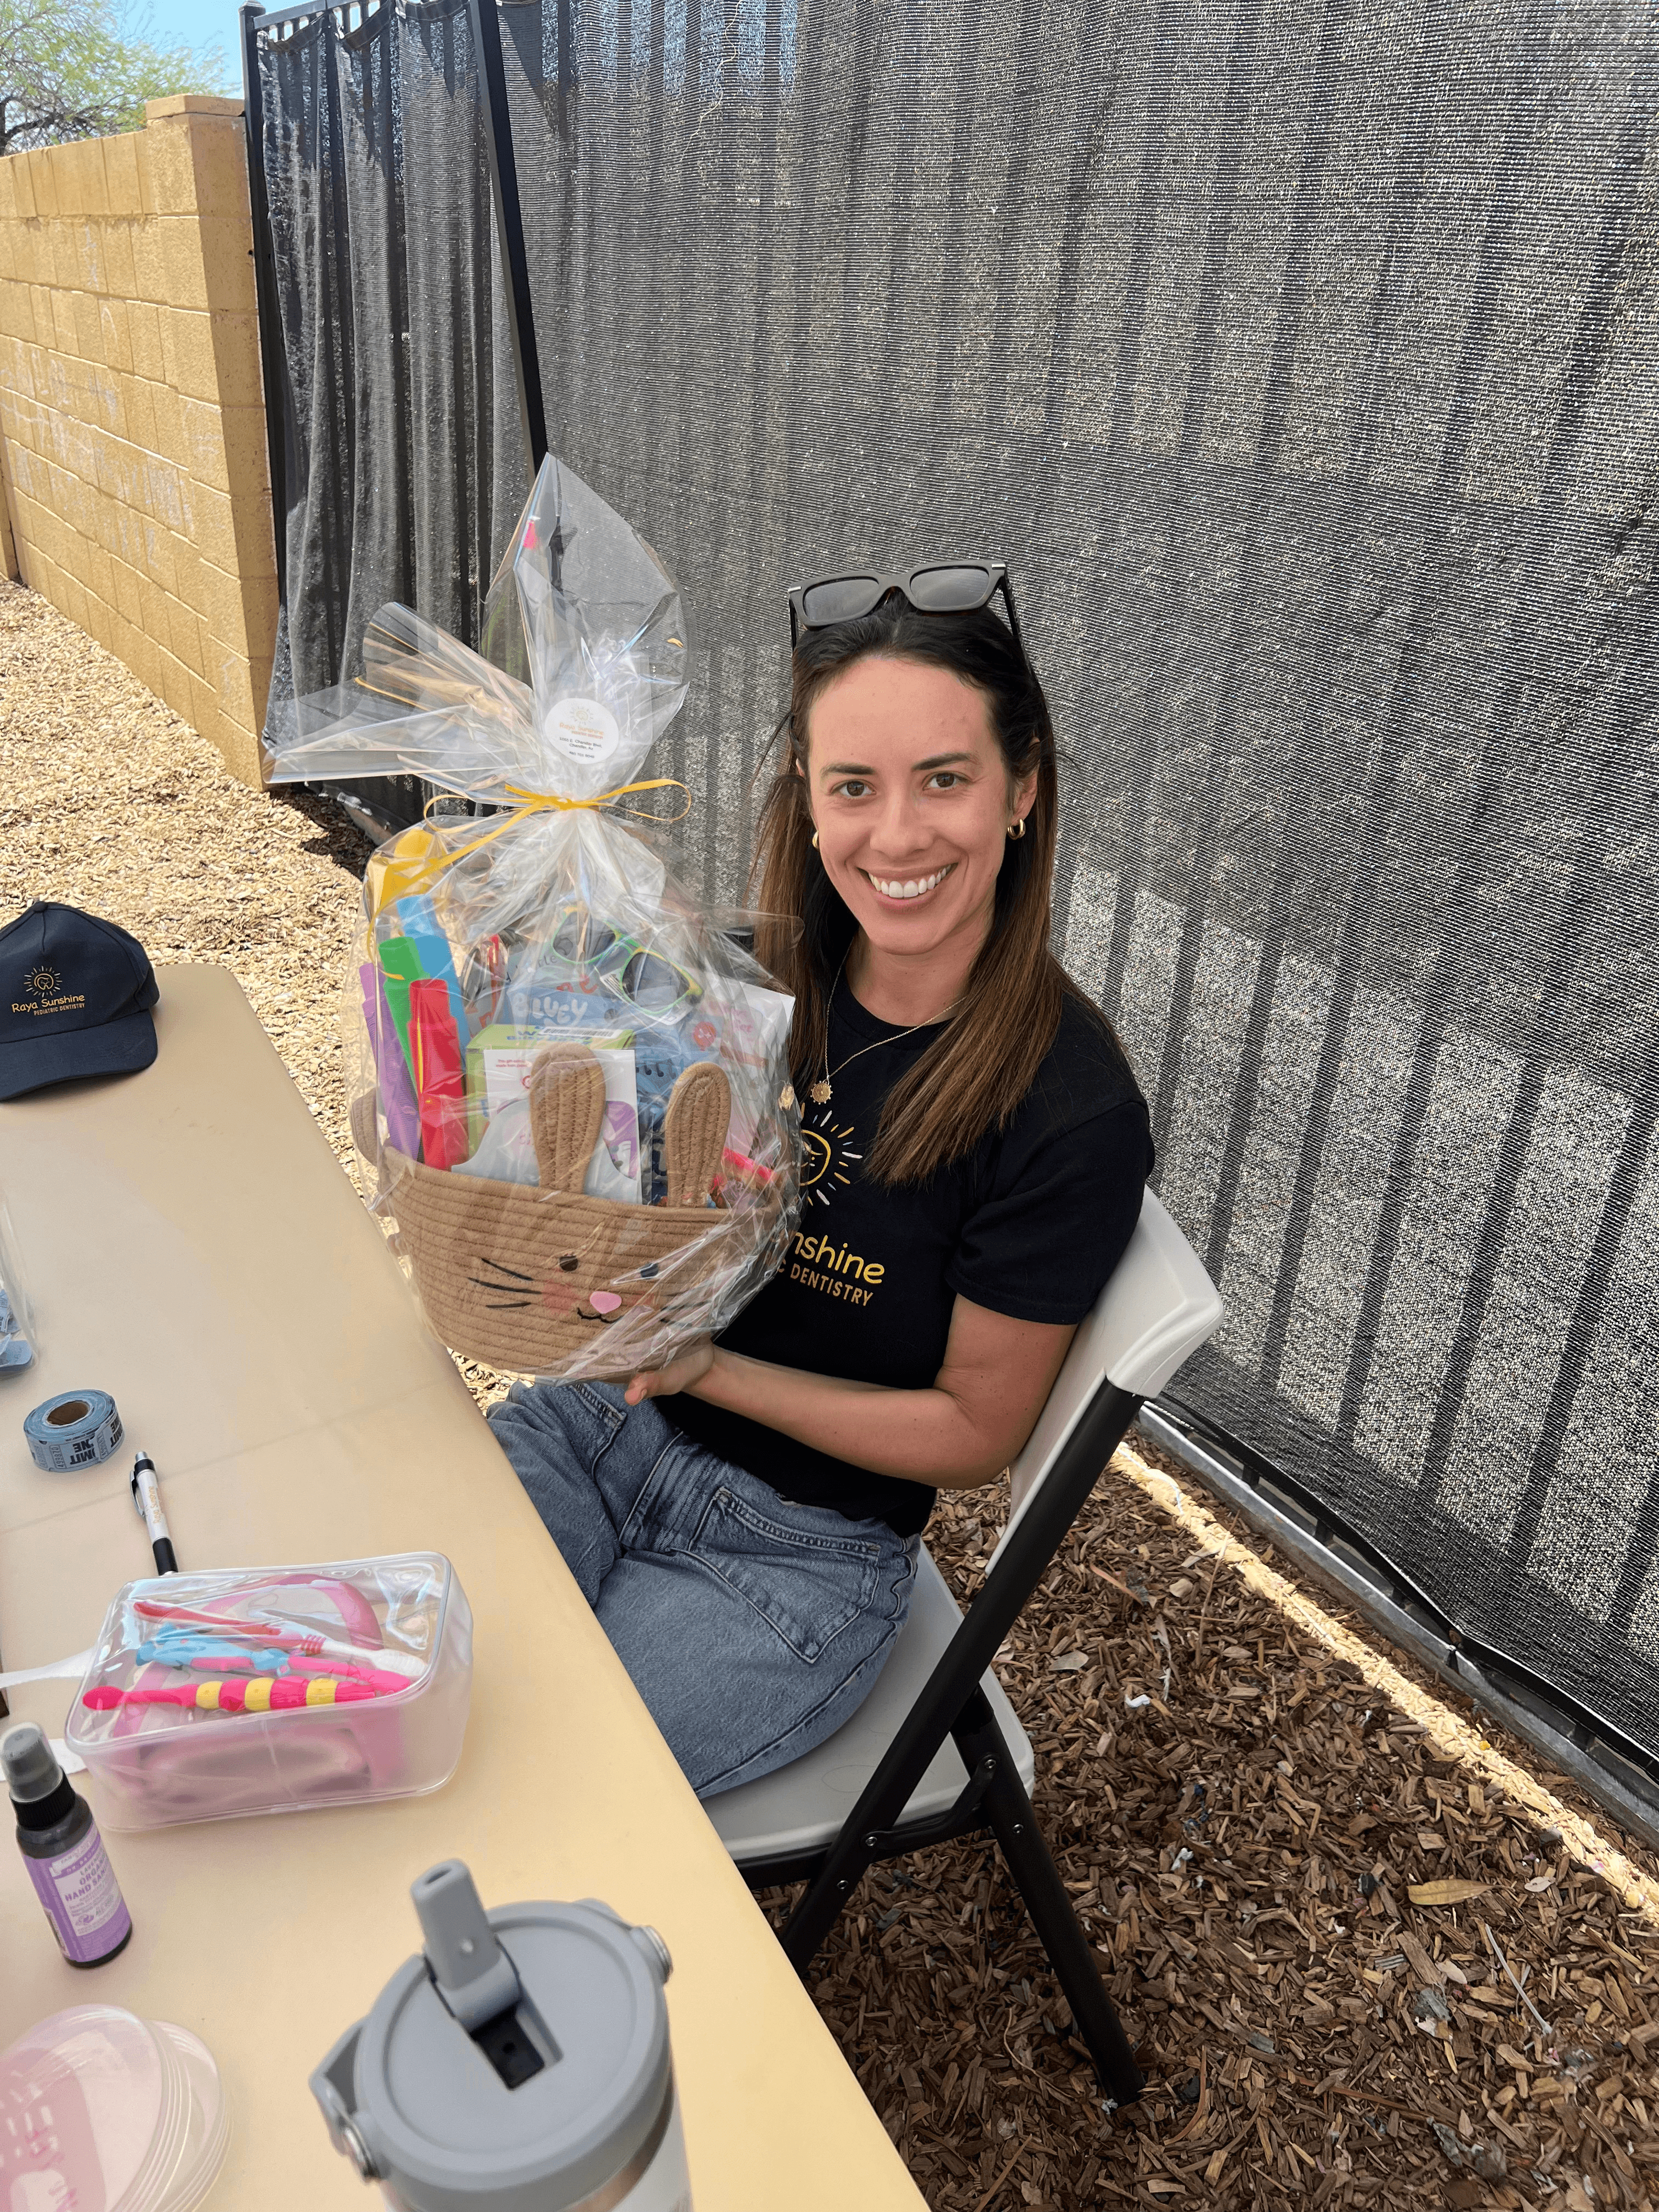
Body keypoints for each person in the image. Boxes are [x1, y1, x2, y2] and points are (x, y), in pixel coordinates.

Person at [488, 565, 1154, 1798]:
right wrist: (485, 1108)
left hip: (793, 1555)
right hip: (596, 1423)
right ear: (807, 800)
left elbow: (975, 1434)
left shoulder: (1069, 1109)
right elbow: (623, 1194)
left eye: (944, 779)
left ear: (1023, 789)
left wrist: (709, 1370)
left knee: (539, 1788)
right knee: (411, 1688)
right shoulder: (744, 983)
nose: (895, 836)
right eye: (854, 786)